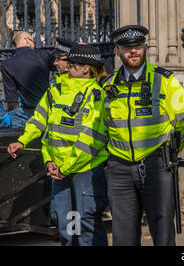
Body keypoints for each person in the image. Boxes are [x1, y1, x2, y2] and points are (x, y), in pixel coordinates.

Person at [7, 44, 109, 246]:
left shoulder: (96, 95)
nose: (65, 67)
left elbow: (91, 138)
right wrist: (22, 140)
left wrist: (65, 167)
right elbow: (38, 120)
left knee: (87, 222)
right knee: (65, 222)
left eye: (71, 64)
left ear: (85, 68)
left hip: (84, 169)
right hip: (58, 169)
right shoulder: (55, 90)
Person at [103, 25, 184, 246]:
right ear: (117, 51)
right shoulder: (107, 86)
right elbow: (102, 126)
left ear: (145, 48)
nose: (133, 51)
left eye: (137, 46)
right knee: (123, 236)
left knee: (162, 232)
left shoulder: (165, 80)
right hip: (120, 168)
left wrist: (170, 153)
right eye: (127, 47)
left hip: (157, 165)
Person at [0, 31, 54, 128]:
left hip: (29, 112)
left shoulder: (7, 64)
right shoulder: (43, 54)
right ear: (27, 40)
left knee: (6, 118)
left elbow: (12, 99)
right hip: (50, 108)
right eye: (33, 41)